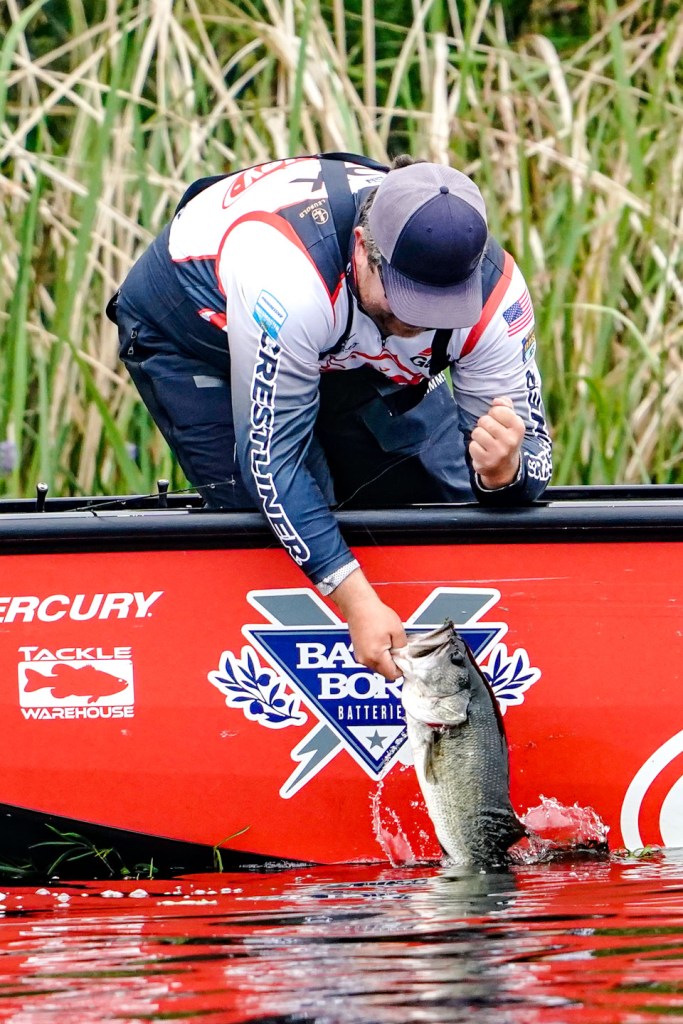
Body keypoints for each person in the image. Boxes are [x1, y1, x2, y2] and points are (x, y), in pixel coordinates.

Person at [107, 153, 552, 680]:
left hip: (338, 332)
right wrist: (356, 602)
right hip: (197, 334)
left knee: (441, 486)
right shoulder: (285, 272)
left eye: (442, 306)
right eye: (409, 300)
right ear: (363, 247)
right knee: (279, 516)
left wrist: (503, 473)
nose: (421, 321)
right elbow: (271, 466)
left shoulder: (496, 294)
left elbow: (535, 457)